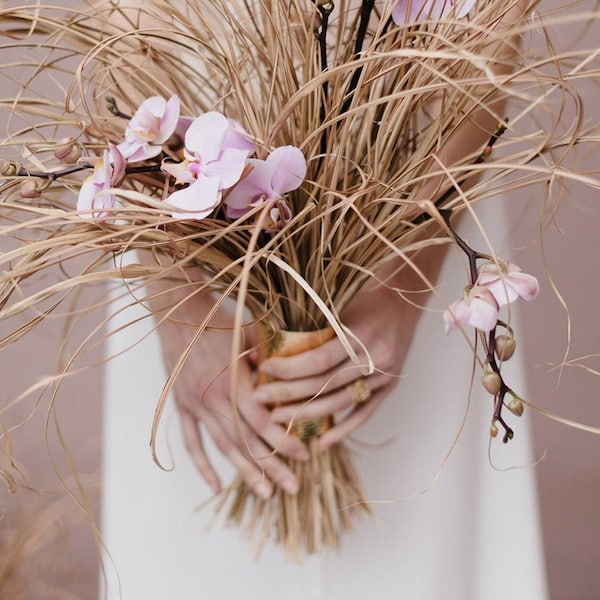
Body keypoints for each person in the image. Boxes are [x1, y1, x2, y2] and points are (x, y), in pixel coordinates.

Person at [100, 1, 548, 598]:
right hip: (176, 205)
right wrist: (179, 308)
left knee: (419, 567)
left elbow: (495, 28)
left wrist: (405, 284)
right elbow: (115, 36)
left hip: (417, 187)